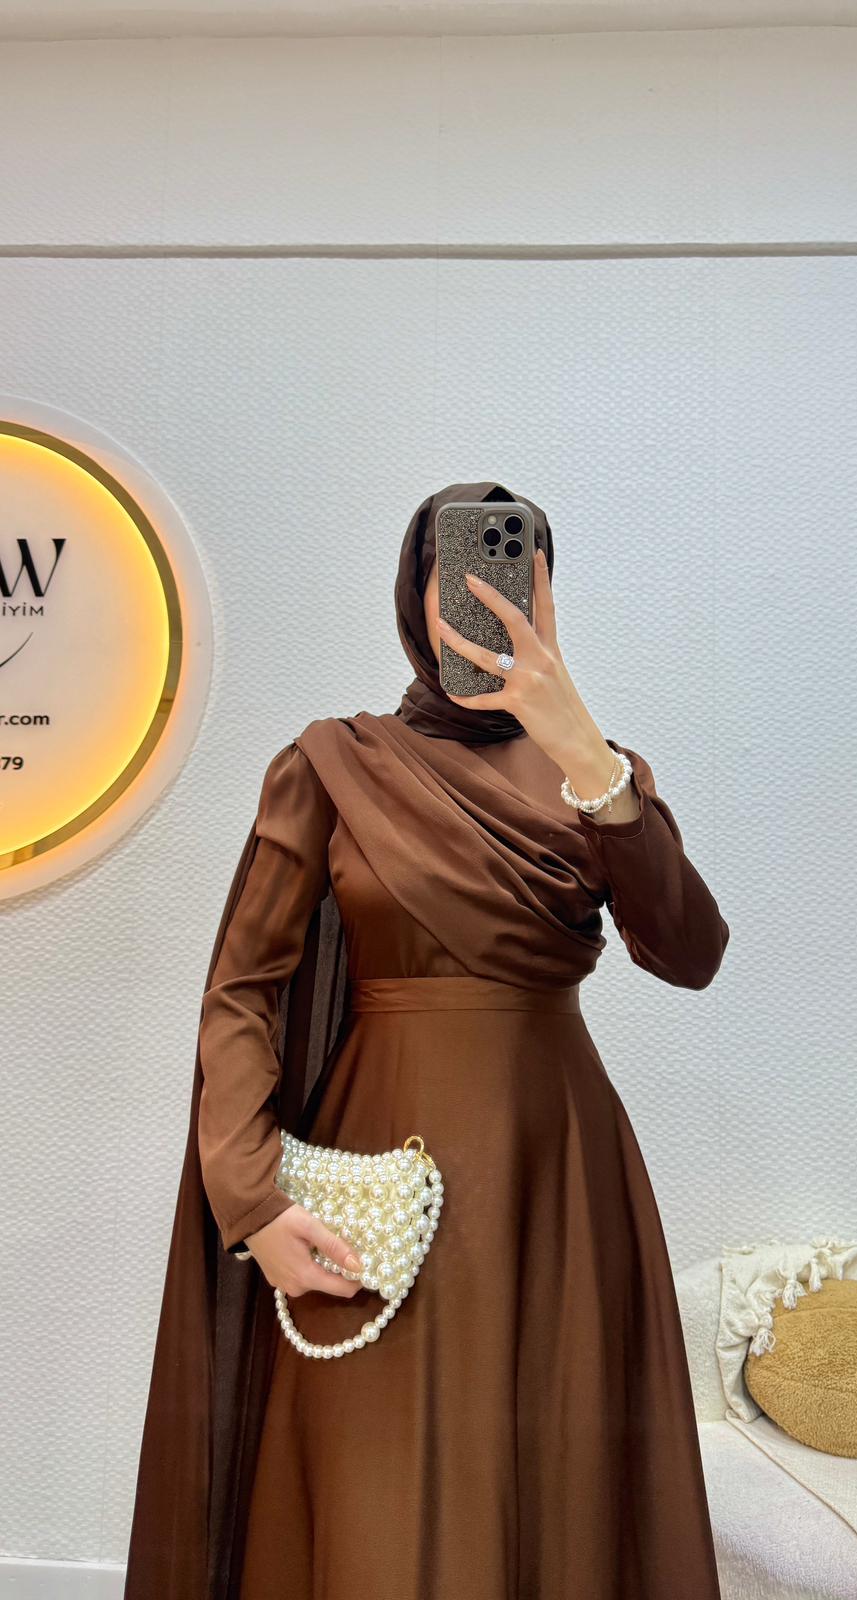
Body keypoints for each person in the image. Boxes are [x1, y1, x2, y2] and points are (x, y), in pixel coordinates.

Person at [124, 480, 729, 1600]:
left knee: (556, 1502)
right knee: (378, 1509)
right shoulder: (333, 764)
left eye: (511, 578)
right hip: (379, 1191)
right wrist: (250, 1198)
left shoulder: (603, 775)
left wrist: (585, 755)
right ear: (416, 596)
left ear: (545, 598)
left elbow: (690, 952)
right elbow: (243, 992)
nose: (482, 605)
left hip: (560, 1185)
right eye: (457, 575)